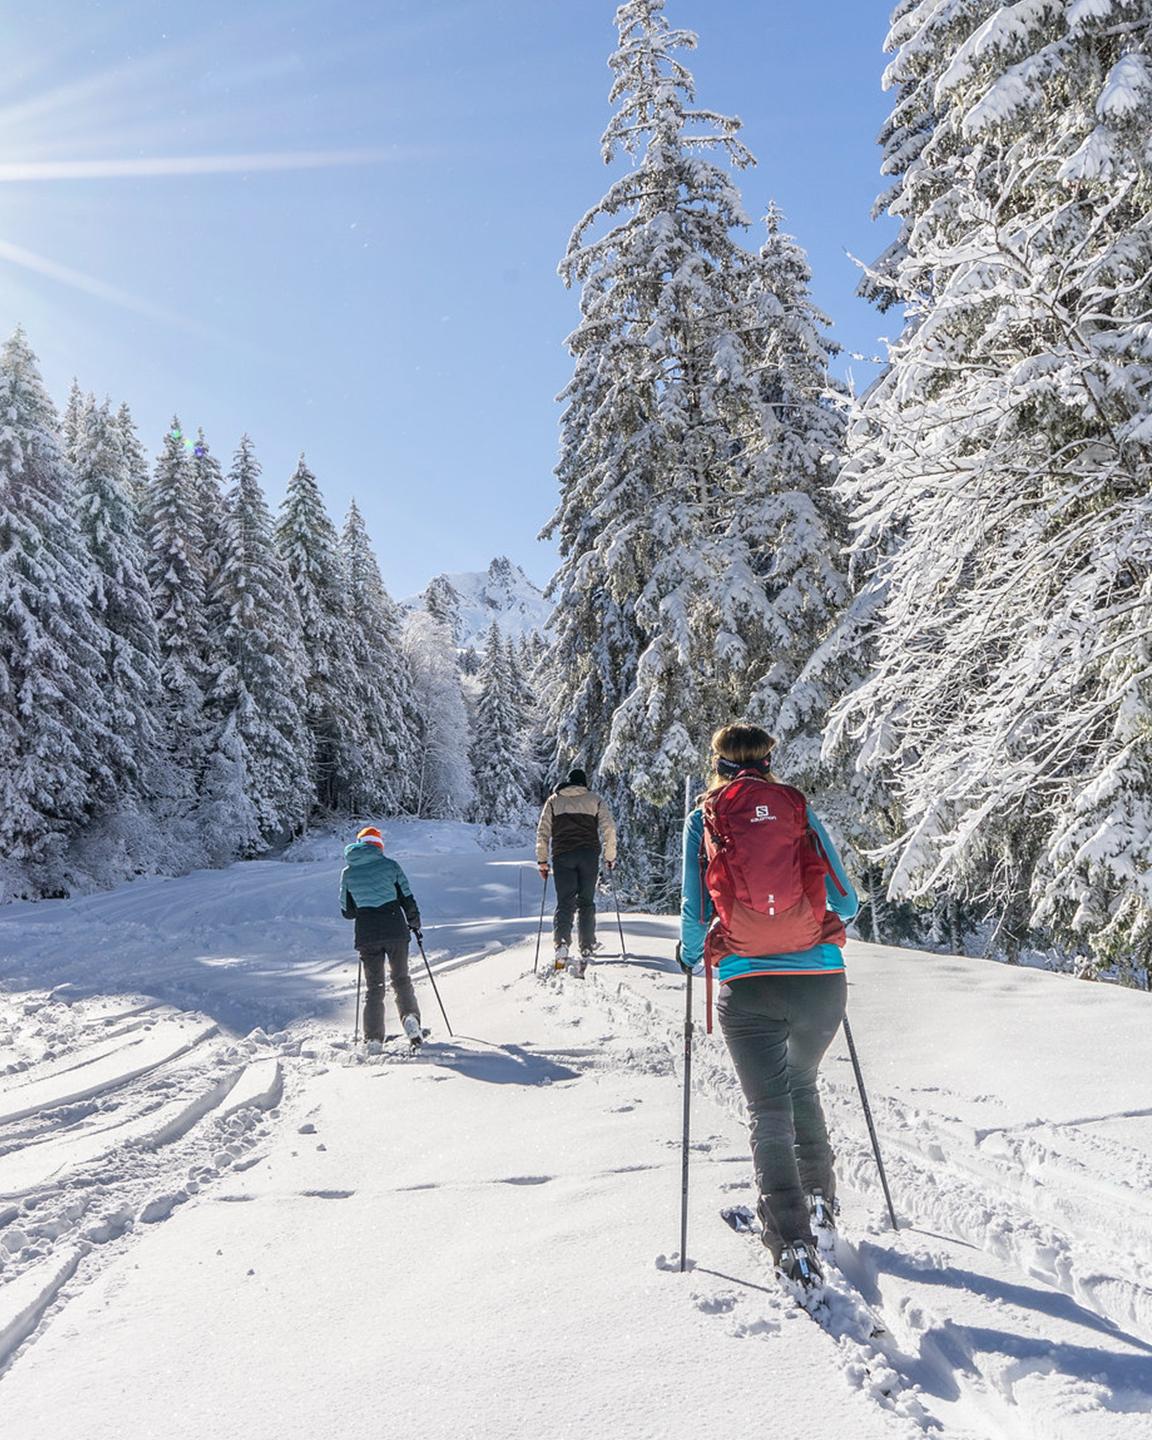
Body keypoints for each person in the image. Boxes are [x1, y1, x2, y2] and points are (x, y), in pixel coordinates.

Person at [679, 724, 858, 1293]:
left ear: (718, 764)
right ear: (768, 761)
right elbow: (847, 900)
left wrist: (691, 956)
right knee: (801, 1084)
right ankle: (820, 1204)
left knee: (768, 1111)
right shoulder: (796, 808)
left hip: (747, 983)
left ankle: (792, 1245)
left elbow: (691, 906)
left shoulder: (705, 816)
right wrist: (810, 932)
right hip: (821, 984)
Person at [340, 826, 424, 1045]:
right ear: (378, 845)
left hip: (367, 934)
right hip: (395, 928)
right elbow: (407, 897)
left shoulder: (348, 873)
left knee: (374, 988)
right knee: (401, 979)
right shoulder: (391, 866)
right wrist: (414, 923)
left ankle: (373, 1038)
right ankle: (411, 1020)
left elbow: (347, 912)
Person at [536, 768, 618, 977]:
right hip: (588, 855)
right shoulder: (595, 800)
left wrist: (542, 861)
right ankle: (587, 944)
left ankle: (562, 945)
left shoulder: (554, 801)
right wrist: (610, 856)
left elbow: (543, 831)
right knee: (586, 901)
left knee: (565, 901)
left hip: (562, 855)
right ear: (584, 783)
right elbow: (609, 829)